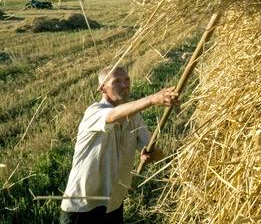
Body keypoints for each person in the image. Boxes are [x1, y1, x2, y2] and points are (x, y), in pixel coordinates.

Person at [59, 66, 180, 224]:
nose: (125, 85)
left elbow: (153, 151)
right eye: (117, 81)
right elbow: (113, 116)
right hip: (83, 205)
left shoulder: (135, 118)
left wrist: (151, 154)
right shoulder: (94, 111)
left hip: (113, 203)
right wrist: (151, 99)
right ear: (102, 88)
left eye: (127, 80)